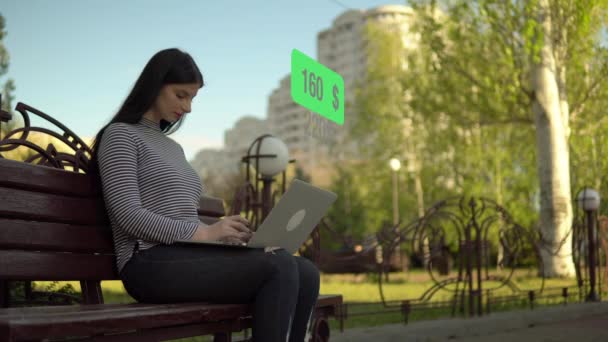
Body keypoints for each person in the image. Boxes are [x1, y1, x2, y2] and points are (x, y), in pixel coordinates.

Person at [90, 48, 320, 342]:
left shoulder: (173, 148)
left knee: (305, 270)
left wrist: (227, 236)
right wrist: (205, 233)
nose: (187, 108)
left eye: (192, 98)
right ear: (155, 86)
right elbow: (128, 217)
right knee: (279, 267)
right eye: (181, 95)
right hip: (146, 263)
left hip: (184, 256)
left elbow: (182, 215)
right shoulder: (120, 136)